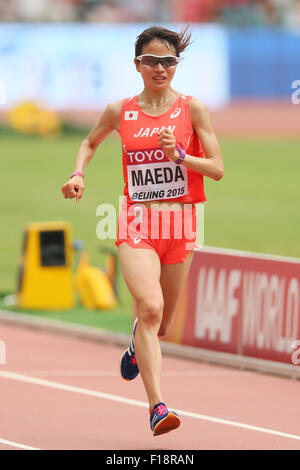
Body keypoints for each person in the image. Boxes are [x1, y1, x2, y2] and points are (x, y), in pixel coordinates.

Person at [61, 25, 224, 436]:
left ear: (176, 66)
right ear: (137, 64)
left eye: (168, 61)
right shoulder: (121, 110)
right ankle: (157, 408)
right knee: (149, 309)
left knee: (162, 326)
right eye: (151, 60)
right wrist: (78, 173)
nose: (160, 68)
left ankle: (137, 344)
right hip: (137, 223)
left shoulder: (193, 110)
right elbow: (90, 142)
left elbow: (218, 169)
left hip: (182, 223)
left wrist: (182, 155)